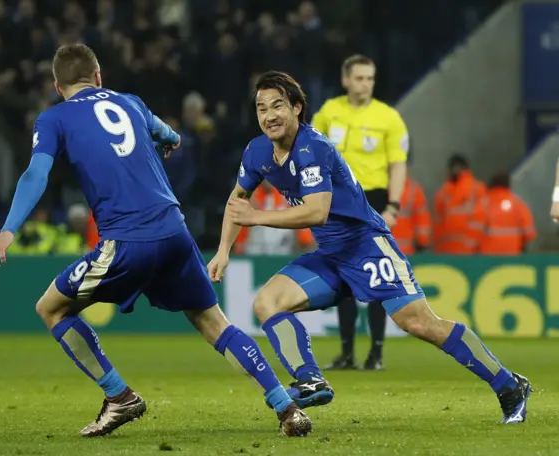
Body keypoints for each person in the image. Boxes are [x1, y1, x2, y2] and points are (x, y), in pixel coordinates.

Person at [0, 45, 311, 438]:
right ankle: (286, 408)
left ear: (56, 85)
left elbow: (36, 174)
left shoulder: (54, 118)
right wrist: (166, 141)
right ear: (98, 77)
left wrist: (7, 230)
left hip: (128, 240)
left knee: (51, 308)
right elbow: (170, 135)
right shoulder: (130, 102)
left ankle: (119, 397)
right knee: (212, 321)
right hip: (175, 232)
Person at [207, 70, 532, 424]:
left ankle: (509, 385)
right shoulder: (257, 152)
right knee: (266, 302)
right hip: (332, 255)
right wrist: (224, 249)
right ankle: (310, 378)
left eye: (278, 106)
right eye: (261, 108)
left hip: (367, 246)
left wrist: (258, 217)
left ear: (298, 108)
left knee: (420, 323)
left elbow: (316, 212)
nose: (269, 115)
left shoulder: (312, 148)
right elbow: (236, 201)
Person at [312, 55, 408, 371]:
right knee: (343, 276)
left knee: (377, 274)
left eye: (370, 78)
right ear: (346, 80)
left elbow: (398, 164)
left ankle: (376, 353)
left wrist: (393, 206)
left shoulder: (389, 117)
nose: (365, 84)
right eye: (360, 78)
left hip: (373, 199)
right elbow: (310, 152)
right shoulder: (328, 112)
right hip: (339, 200)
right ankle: (346, 353)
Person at [433, 155, 486, 254]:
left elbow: (482, 219)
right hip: (448, 250)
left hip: (470, 250)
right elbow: (437, 224)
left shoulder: (477, 189)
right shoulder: (443, 191)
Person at [478, 172, 536, 255]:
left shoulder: (483, 203)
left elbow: (474, 231)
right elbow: (529, 233)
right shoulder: (518, 203)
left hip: (488, 256)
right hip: (512, 254)